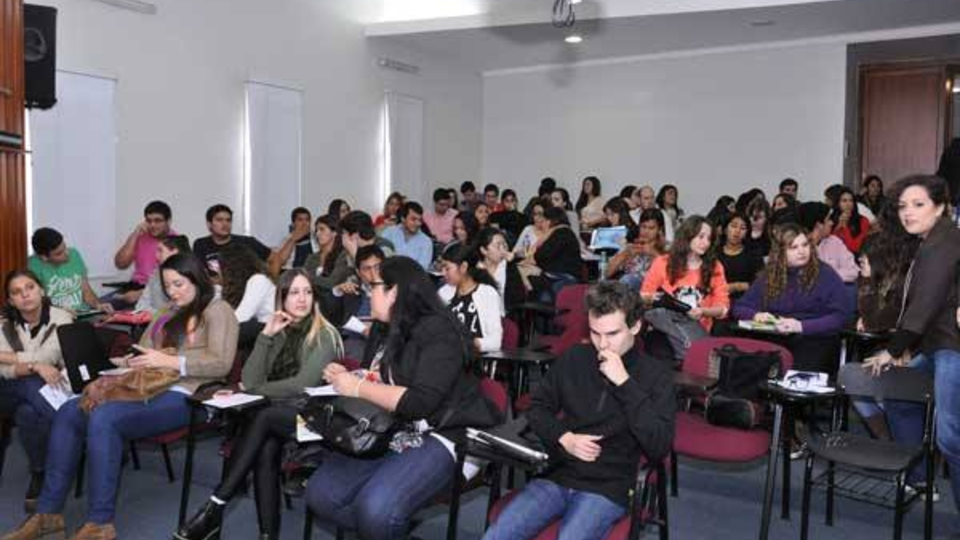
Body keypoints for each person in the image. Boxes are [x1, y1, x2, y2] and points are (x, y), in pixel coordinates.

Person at [2, 253, 238, 540]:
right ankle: (49, 512)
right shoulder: (166, 312)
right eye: (168, 286)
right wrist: (109, 367)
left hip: (188, 393)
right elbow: (139, 355)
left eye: (179, 284)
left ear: (196, 279)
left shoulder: (217, 309)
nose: (173, 292)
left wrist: (169, 361)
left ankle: (100, 522)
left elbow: (221, 363)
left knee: (104, 416)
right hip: (143, 385)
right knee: (69, 410)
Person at [304, 257, 503, 540]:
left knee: (376, 509)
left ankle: (384, 526)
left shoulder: (439, 331)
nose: (367, 292)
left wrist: (357, 387)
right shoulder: (392, 327)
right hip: (399, 427)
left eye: (373, 286)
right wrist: (354, 376)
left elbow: (419, 401)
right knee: (321, 494)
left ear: (394, 292)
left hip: (448, 434)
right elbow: (393, 380)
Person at [481, 281, 675, 540]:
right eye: (595, 333)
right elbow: (537, 408)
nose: (602, 344)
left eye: (613, 334)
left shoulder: (656, 375)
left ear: (636, 326)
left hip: (609, 486)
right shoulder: (576, 358)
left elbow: (659, 445)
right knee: (499, 534)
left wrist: (625, 384)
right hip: (559, 472)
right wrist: (565, 438)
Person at [175, 269, 343, 540]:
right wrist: (266, 333)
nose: (302, 299)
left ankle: (215, 506)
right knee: (265, 444)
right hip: (278, 417)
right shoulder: (280, 331)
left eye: (308, 292)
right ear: (282, 299)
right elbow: (249, 377)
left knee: (263, 419)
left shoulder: (325, 334)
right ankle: (267, 535)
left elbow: (302, 384)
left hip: (312, 419)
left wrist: (257, 390)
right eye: (293, 293)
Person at [861, 175, 960, 524]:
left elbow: (927, 301)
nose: (908, 212)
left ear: (941, 207)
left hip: (952, 346)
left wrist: (894, 349)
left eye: (918, 204)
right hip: (935, 345)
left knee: (951, 436)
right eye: (903, 205)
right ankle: (919, 478)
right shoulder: (926, 241)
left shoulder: (944, 240)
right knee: (902, 398)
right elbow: (908, 302)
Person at [0, 270, 74, 513]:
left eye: (30, 287)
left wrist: (15, 361)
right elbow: (4, 372)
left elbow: (49, 357)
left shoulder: (61, 317)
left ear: (41, 290)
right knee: (29, 383)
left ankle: (39, 472)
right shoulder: (4, 325)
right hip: (9, 391)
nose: (25, 295)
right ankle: (77, 428)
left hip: (49, 387)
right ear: (10, 300)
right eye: (16, 292)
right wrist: (33, 366)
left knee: (28, 413)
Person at [732, 223, 850, 374]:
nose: (801, 251)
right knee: (748, 366)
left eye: (805, 245)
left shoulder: (826, 274)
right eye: (793, 247)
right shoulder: (770, 276)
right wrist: (756, 315)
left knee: (795, 372)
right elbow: (739, 308)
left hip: (815, 337)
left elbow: (840, 317)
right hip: (777, 335)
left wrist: (800, 326)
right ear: (781, 252)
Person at [640, 216, 729, 362]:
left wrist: (703, 311)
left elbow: (723, 308)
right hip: (665, 329)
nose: (706, 243)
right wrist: (654, 298)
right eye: (701, 237)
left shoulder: (715, 266)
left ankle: (692, 353)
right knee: (658, 335)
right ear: (687, 236)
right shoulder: (662, 262)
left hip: (697, 328)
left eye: (709, 238)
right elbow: (644, 296)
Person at [27, 228, 112, 315]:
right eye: (59, 253)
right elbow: (37, 302)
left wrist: (98, 305)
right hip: (56, 318)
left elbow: (86, 290)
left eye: (65, 247)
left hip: (83, 314)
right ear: (44, 257)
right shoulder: (32, 265)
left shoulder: (74, 254)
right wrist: (60, 311)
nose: (67, 253)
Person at [322, 245, 385, 359]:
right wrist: (338, 291)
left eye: (377, 267)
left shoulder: (394, 292)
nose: (373, 273)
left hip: (383, 343)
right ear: (358, 272)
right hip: (353, 342)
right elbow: (328, 314)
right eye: (367, 269)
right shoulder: (352, 292)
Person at [438, 245, 503, 353]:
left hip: (474, 358)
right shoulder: (443, 292)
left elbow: (495, 342)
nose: (443, 273)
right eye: (442, 269)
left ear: (463, 267)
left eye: (447, 268)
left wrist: (470, 343)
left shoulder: (487, 293)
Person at [111, 200, 175, 306]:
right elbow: (120, 264)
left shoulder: (176, 242)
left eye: (157, 220)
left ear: (168, 221)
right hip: (134, 286)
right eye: (148, 221)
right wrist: (135, 234)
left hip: (158, 292)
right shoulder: (140, 237)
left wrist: (140, 294)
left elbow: (174, 282)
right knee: (100, 309)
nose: (152, 225)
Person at [219, 244, 276, 348]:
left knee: (232, 332)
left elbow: (241, 317)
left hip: (273, 332)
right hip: (263, 331)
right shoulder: (249, 282)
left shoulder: (258, 280)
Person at [520, 207, 583, 300]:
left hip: (561, 278)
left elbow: (540, 255)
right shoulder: (565, 232)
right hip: (560, 276)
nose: (541, 225)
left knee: (520, 273)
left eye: (543, 221)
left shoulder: (560, 233)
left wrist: (541, 240)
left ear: (549, 221)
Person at [193, 204, 274, 273]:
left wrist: (271, 280)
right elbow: (200, 275)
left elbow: (276, 258)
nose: (225, 224)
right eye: (219, 220)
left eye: (228, 220)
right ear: (209, 224)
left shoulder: (247, 242)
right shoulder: (200, 244)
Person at [797, 202, 858, 284]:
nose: (831, 223)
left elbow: (853, 271)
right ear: (818, 225)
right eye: (828, 220)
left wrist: (826, 276)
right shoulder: (798, 247)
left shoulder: (834, 241)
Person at [607, 208, 666, 292]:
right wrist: (625, 254)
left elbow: (671, 275)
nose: (646, 231)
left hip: (651, 290)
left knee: (628, 279)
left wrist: (653, 253)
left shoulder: (667, 248)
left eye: (651, 228)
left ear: (659, 229)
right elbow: (606, 273)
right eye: (643, 227)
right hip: (627, 290)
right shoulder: (631, 246)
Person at [135, 235, 192, 314]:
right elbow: (140, 306)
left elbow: (183, 311)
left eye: (160, 250)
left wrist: (158, 313)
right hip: (156, 322)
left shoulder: (192, 274)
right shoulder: (156, 274)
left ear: (174, 252)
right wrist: (159, 314)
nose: (156, 256)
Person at [716, 212, 764, 301]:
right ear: (725, 229)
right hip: (716, 299)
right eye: (734, 226)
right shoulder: (714, 253)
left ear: (747, 233)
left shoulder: (753, 254)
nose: (737, 231)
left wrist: (737, 286)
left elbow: (760, 283)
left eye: (743, 228)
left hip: (746, 300)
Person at [476, 227, 525, 314]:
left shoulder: (508, 268)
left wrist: (511, 266)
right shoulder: (475, 270)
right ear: (484, 250)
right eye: (498, 246)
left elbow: (518, 298)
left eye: (504, 245)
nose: (503, 250)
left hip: (503, 317)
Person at [380, 202, 433, 270]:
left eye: (420, 220)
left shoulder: (426, 241)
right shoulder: (389, 232)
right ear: (403, 218)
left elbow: (421, 269)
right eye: (413, 219)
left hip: (411, 279)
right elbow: (380, 256)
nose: (418, 223)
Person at [270, 207, 314, 276]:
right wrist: (293, 239)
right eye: (300, 220)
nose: (304, 223)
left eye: (307, 220)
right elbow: (280, 261)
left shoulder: (316, 238)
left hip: (310, 274)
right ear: (293, 223)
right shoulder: (287, 240)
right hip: (290, 274)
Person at [303, 214, 343, 286]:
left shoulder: (343, 256)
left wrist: (308, 278)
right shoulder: (311, 257)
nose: (317, 233)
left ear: (334, 233)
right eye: (316, 230)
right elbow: (304, 281)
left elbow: (332, 283)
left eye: (322, 229)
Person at [830, 186, 871, 255]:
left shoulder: (863, 221)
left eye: (851, 200)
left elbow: (854, 248)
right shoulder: (832, 219)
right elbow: (830, 245)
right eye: (844, 201)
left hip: (854, 258)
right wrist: (838, 227)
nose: (848, 204)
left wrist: (845, 227)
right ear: (838, 204)